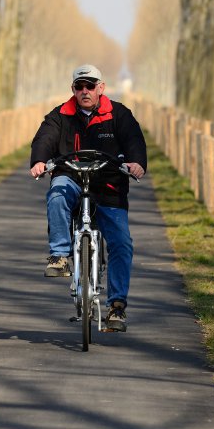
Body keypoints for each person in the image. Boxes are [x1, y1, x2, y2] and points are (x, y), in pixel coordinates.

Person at [29, 64, 147, 332]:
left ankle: (116, 307)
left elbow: (134, 141)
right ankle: (59, 256)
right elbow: (44, 139)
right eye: (79, 86)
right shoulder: (60, 115)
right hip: (70, 178)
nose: (85, 91)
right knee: (57, 193)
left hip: (108, 184)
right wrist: (38, 161)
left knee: (121, 243)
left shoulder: (119, 114)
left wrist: (137, 162)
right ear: (73, 89)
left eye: (90, 86)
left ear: (101, 88)